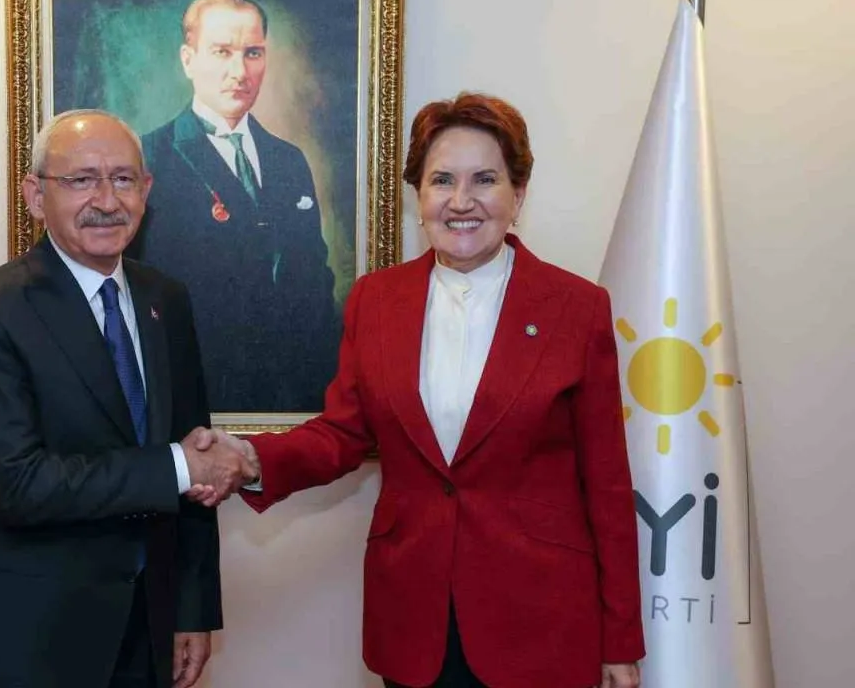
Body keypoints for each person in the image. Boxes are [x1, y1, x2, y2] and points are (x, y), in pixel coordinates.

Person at [197, 93, 645, 687]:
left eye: (485, 179)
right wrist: (253, 459)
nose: (461, 201)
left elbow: (607, 486)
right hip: (413, 614)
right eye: (442, 181)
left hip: (540, 620)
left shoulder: (576, 308)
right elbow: (343, 433)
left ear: (518, 194)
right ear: (419, 195)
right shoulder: (377, 300)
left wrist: (620, 641)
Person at [0, 109, 256, 688]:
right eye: (81, 180)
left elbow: (195, 452)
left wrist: (191, 609)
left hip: (148, 628)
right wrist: (179, 466)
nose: (106, 201)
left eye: (123, 179)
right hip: (29, 639)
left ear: (146, 190)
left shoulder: (166, 300)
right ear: (36, 196)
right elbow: (18, 485)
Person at [128, 0, 339, 413]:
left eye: (252, 53)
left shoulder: (288, 160)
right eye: (222, 52)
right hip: (193, 395)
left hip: (290, 398)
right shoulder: (148, 158)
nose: (239, 72)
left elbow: (314, 281)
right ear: (188, 60)